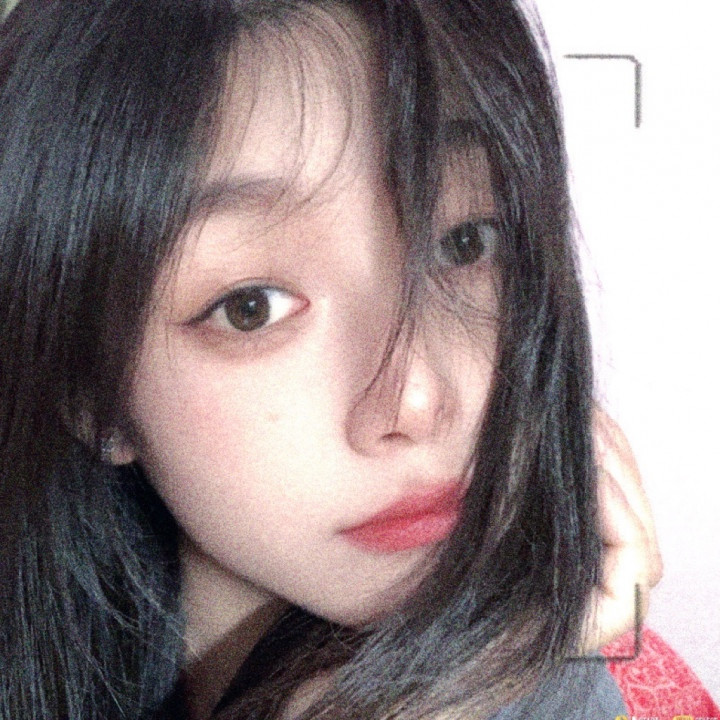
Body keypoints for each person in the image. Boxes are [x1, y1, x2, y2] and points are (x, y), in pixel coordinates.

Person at [0, 1, 661, 718]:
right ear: (91, 391)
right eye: (250, 306)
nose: (417, 399)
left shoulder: (550, 691)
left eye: (465, 243)